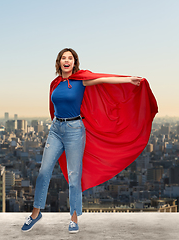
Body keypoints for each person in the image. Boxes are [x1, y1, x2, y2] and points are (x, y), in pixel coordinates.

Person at [21, 48, 151, 234]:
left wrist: (128, 79)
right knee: (43, 172)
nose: (67, 61)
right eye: (63, 58)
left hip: (74, 130)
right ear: (58, 63)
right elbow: (53, 106)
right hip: (56, 129)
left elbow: (104, 79)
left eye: (70, 58)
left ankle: (73, 218)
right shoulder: (55, 83)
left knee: (74, 176)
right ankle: (35, 214)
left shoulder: (81, 80)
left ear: (74, 63)